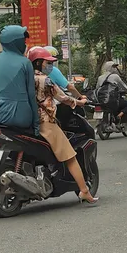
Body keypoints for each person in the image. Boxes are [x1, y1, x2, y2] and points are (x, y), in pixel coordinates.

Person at [29, 47, 98, 205]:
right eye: (48, 62)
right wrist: (79, 101)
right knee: (70, 157)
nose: (50, 66)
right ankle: (84, 191)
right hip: (45, 122)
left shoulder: (25, 78)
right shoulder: (45, 80)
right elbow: (63, 97)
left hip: (28, 122)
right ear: (38, 63)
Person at [0, 25, 40, 132]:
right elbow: (31, 95)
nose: (25, 44)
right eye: (23, 41)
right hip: (21, 115)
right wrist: (36, 123)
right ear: (15, 42)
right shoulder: (25, 63)